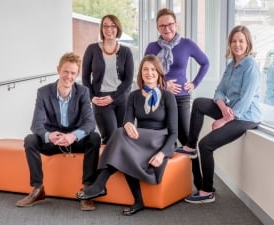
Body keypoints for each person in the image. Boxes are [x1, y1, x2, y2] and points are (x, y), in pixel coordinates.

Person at [76, 55, 178, 215]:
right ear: (141, 73)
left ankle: (99, 183)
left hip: (160, 140)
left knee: (120, 139)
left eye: (153, 69)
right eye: (145, 69)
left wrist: (162, 153)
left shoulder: (168, 96)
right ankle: (137, 201)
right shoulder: (134, 96)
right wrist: (128, 124)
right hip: (141, 138)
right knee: (122, 138)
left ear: (159, 73)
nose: (149, 73)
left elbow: (174, 133)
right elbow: (128, 122)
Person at [178, 25, 262, 203]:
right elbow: (219, 91)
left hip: (246, 117)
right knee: (200, 102)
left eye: (241, 41)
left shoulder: (251, 65)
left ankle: (207, 191)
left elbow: (246, 101)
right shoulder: (232, 64)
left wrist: (224, 120)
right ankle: (190, 146)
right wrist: (223, 107)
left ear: (248, 43)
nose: (237, 44)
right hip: (230, 110)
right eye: (234, 41)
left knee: (206, 144)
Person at [15, 52, 101, 211]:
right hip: (53, 142)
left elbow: (90, 123)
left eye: (73, 73)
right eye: (66, 71)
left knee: (94, 138)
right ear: (58, 70)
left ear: (77, 74)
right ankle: (37, 189)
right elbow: (36, 124)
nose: (69, 76)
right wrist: (49, 136)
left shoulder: (82, 92)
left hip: (74, 141)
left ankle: (87, 190)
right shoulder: (44, 92)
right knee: (30, 140)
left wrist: (73, 136)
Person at [144, 8, 209, 158]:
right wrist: (164, 85)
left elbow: (205, 63)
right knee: (164, 138)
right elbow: (146, 73)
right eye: (162, 26)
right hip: (159, 96)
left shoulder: (187, 44)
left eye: (170, 24)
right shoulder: (152, 47)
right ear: (157, 28)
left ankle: (197, 179)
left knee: (186, 139)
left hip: (181, 98)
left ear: (176, 24)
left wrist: (194, 83)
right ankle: (169, 177)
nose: (167, 29)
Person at [82, 14, 134, 145]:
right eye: (105, 26)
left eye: (113, 26)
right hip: (101, 101)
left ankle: (120, 165)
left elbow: (128, 80)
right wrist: (92, 97)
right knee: (111, 138)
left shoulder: (126, 51)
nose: (109, 29)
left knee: (123, 137)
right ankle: (106, 165)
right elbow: (85, 77)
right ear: (101, 28)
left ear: (118, 28)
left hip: (122, 99)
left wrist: (113, 97)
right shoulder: (92, 49)